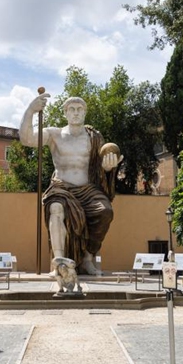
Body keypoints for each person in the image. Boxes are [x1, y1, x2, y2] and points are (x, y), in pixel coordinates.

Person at [20, 94, 122, 275]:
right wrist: (31, 110)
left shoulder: (94, 137)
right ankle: (58, 262)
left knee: (105, 212)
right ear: (65, 113)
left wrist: (108, 168)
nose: (76, 113)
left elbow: (100, 169)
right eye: (72, 109)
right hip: (61, 187)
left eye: (80, 109)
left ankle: (87, 259)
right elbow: (26, 139)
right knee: (56, 208)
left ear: (85, 112)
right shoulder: (54, 134)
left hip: (88, 189)